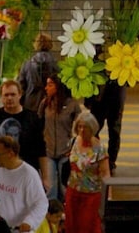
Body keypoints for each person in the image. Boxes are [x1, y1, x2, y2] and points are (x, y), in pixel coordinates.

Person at [0, 136, 49, 232]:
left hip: (16, 229)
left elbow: (41, 203)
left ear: (10, 154)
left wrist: (30, 222)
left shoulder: (29, 174)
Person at [0, 81, 48, 174]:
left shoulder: (32, 118)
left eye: (13, 94)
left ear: (20, 95)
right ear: (1, 97)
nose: (9, 98)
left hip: (26, 173)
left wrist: (45, 177)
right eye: (6, 95)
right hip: (1, 172)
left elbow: (40, 150)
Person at [42, 81, 83, 219]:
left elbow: (81, 126)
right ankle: (51, 219)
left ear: (58, 87)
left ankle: (68, 218)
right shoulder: (45, 104)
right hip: (48, 152)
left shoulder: (72, 105)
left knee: (65, 188)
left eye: (50, 85)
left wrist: (73, 146)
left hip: (65, 152)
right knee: (51, 188)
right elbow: (38, 124)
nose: (46, 88)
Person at [64, 111, 110, 233]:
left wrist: (108, 197)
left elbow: (106, 174)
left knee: (87, 227)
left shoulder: (99, 148)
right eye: (80, 126)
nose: (82, 130)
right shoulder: (74, 142)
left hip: (91, 196)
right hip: (73, 192)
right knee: (71, 226)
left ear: (92, 128)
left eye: (86, 127)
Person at [86, 70, 127, 170]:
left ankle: (111, 161)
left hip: (116, 99)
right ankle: (96, 156)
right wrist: (88, 98)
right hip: (99, 100)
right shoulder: (98, 59)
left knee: (114, 133)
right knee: (93, 130)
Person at [20, 34, 60, 111]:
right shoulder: (56, 64)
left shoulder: (27, 64)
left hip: (30, 104)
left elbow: (21, 87)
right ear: (50, 44)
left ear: (36, 45)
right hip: (51, 104)